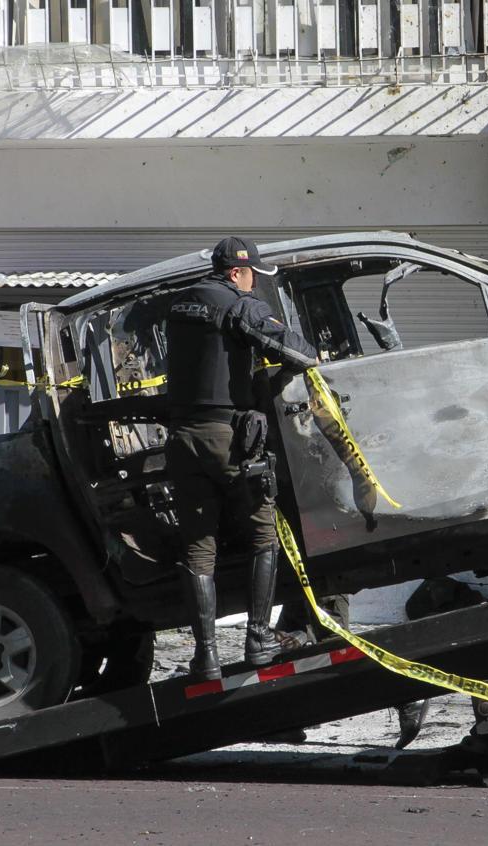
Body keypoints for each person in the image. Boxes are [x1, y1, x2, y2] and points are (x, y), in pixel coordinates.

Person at [163, 236, 318, 680]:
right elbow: (297, 353)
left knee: (198, 547)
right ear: (236, 272)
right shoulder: (237, 304)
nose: (253, 285)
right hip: (225, 439)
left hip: (182, 439)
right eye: (251, 277)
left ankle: (206, 656)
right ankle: (257, 638)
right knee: (263, 536)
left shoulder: (180, 303)